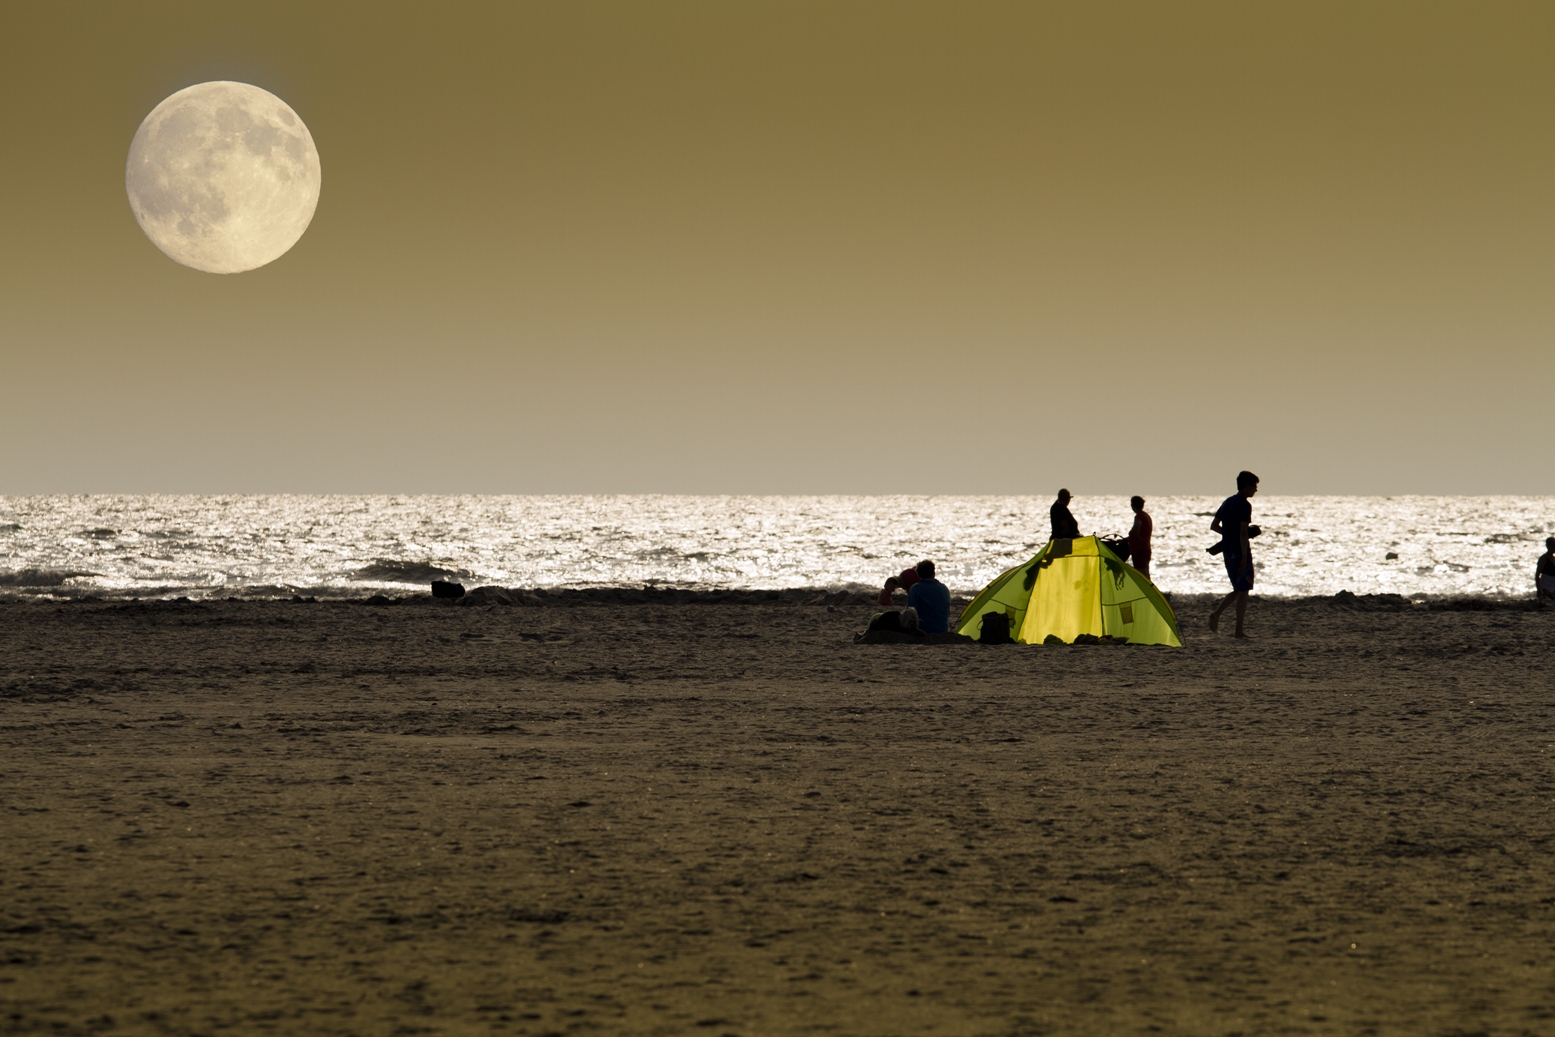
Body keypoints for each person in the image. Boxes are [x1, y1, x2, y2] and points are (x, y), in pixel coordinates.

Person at [1208, 471, 1259, 638]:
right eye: (1253, 486)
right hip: (1239, 551)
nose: (1255, 490)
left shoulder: (1228, 502)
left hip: (1228, 552)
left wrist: (1228, 535)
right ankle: (1226, 621)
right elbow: (1244, 532)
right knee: (1242, 589)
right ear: (1245, 486)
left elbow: (1214, 526)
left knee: (1240, 589)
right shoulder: (1244, 505)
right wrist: (1244, 556)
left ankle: (1232, 626)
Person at [906, 559, 951, 634]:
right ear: (934, 573)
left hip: (923, 630)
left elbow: (911, 612)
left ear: (918, 574)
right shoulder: (944, 588)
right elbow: (947, 610)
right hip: (942, 630)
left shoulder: (916, 588)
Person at [1128, 495, 1153, 580]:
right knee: (1145, 572)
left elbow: (1136, 531)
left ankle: (1148, 592)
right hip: (1146, 548)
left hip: (1139, 550)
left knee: (1142, 574)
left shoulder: (1139, 517)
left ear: (1134, 506)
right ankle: (1151, 591)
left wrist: (1135, 537)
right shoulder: (1146, 516)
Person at [1538, 537, 1555, 603]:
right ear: (1548, 546)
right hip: (1546, 586)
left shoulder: (1554, 558)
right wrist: (1539, 589)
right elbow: (1537, 574)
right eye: (1553, 545)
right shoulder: (1543, 558)